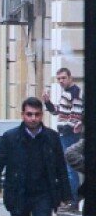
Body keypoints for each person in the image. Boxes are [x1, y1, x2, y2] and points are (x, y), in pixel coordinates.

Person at [45, 67, 84, 208]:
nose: (61, 81)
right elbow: (59, 112)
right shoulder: (66, 93)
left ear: (70, 77)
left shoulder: (75, 92)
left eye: (63, 78)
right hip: (64, 134)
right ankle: (71, 198)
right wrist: (48, 103)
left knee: (70, 168)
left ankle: (73, 199)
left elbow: (76, 114)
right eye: (59, 79)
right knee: (67, 167)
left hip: (70, 134)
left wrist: (67, 127)